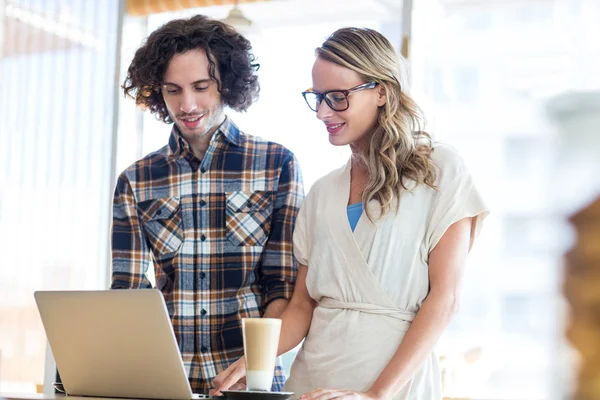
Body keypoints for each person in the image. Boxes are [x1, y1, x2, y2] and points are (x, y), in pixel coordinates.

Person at [212, 27, 489, 399]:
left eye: (338, 97)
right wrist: (255, 360)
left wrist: (375, 396)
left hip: (393, 386)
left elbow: (444, 299)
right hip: (312, 383)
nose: (323, 112)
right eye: (318, 98)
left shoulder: (440, 171)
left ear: (381, 92)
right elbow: (302, 306)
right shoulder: (323, 191)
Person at [110, 15, 304, 394]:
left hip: (249, 382)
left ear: (227, 84)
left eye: (201, 87)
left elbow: (282, 285)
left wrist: (256, 365)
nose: (188, 104)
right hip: (164, 381)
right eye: (172, 90)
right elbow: (128, 293)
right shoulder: (136, 180)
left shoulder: (277, 164)